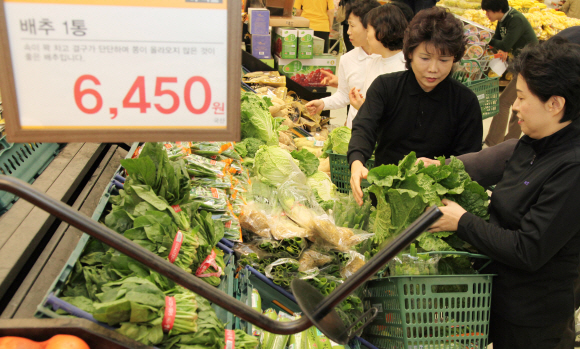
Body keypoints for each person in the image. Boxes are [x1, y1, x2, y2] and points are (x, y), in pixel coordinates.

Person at [423, 38, 580, 349]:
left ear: (555, 104)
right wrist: (439, 168)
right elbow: (489, 164)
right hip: (499, 303)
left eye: (521, 98)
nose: (515, 106)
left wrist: (463, 222)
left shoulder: (572, 167)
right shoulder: (533, 139)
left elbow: (528, 249)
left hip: (534, 322)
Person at [347, 7, 483, 205]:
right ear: (409, 54)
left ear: (455, 58)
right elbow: (364, 127)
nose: (433, 69)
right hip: (385, 196)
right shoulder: (385, 87)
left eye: (444, 60)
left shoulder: (465, 102)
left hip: (438, 206)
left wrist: (441, 167)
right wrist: (357, 161)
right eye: (425, 58)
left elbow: (468, 159)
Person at [305, 0, 381, 127]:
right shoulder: (347, 59)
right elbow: (344, 95)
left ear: (369, 26)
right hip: (356, 130)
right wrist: (323, 103)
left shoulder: (387, 58)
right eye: (348, 26)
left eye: (352, 25)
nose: (348, 32)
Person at [482, 0, 538, 147]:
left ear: (499, 9)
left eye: (488, 11)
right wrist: (496, 44)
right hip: (519, 64)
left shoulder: (516, 19)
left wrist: (485, 38)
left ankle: (494, 143)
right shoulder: (503, 20)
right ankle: (510, 142)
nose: (486, 14)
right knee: (516, 103)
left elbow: (505, 44)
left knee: (504, 102)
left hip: (530, 66)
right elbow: (500, 42)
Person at [348, 4, 409, 114]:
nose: (366, 37)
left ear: (381, 33)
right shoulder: (373, 62)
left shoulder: (406, 67)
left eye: (368, 31)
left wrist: (363, 108)